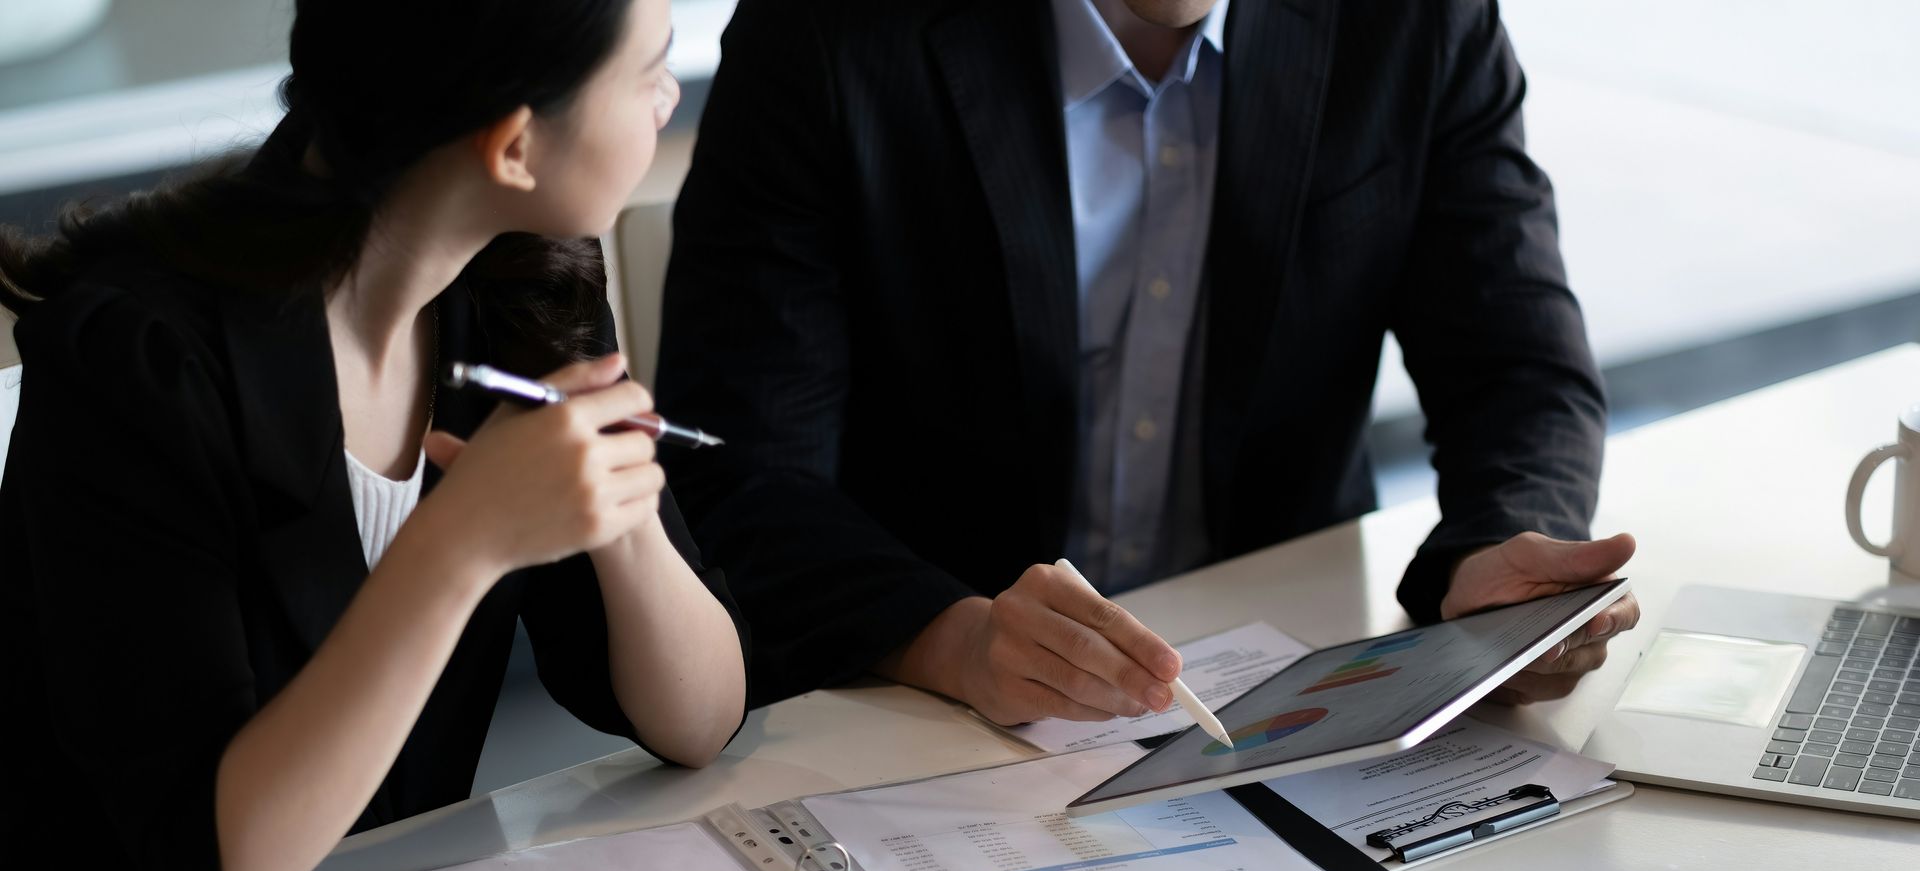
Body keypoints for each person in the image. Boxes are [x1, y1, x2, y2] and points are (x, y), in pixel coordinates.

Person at [657, 0, 1639, 725]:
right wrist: (954, 639)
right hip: (916, 703)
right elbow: (742, 461)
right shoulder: (824, 31)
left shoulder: (1417, 22)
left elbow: (1517, 362)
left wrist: (1504, 551)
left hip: (1279, 685)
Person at [0, 0, 746, 871]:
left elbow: (700, 722)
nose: (668, 98)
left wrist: (625, 513)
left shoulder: (524, 284)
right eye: (647, 72)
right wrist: (461, 542)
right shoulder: (136, 360)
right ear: (515, 148)